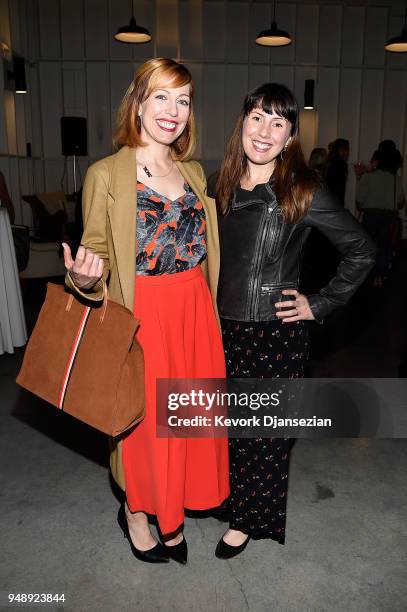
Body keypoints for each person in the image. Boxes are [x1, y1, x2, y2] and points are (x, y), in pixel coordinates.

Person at [62, 58, 229, 565]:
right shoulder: (105, 174)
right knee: (146, 428)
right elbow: (93, 256)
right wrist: (84, 279)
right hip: (145, 317)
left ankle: (174, 507)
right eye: (161, 96)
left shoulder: (195, 172)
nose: (172, 111)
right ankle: (138, 513)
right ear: (137, 102)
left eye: (183, 100)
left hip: (197, 310)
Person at [211, 83, 376, 559]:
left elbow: (362, 250)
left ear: (289, 139)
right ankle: (235, 498)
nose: (264, 131)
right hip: (220, 325)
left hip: (272, 331)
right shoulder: (217, 181)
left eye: (278, 123)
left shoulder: (302, 190)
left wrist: (318, 304)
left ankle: (248, 521)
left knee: (263, 432)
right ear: (242, 122)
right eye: (257, 118)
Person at [356, 148, 405, 287]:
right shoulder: (396, 179)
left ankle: (366, 276)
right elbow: (400, 201)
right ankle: (380, 276)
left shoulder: (368, 176)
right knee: (384, 247)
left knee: (367, 248)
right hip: (388, 217)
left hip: (370, 216)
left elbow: (359, 200)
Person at [325, 138, 350, 205]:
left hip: (327, 200)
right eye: (347, 149)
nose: (348, 153)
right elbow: (339, 189)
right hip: (335, 203)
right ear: (342, 150)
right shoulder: (341, 165)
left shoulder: (328, 162)